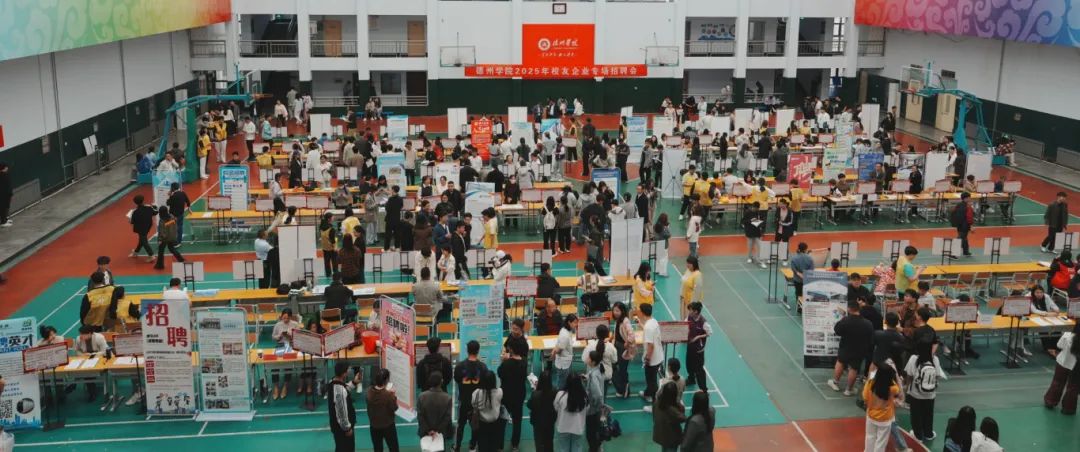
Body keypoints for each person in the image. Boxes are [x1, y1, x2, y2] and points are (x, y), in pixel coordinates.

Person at [827, 301, 874, 396]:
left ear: (849, 309)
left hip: (845, 347)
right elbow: (870, 337)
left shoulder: (845, 320)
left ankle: (835, 383)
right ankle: (849, 390)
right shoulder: (868, 323)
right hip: (859, 349)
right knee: (854, 368)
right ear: (859, 309)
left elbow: (837, 331)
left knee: (840, 362)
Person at [905, 340, 945, 442]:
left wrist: (907, 389)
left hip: (915, 394)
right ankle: (928, 434)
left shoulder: (914, 358)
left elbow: (909, 376)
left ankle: (918, 436)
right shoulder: (935, 359)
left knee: (916, 415)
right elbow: (937, 375)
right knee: (928, 414)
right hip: (930, 394)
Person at [454, 340, 489, 452]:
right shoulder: (483, 367)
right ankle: (473, 446)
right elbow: (485, 383)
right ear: (478, 351)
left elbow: (457, 379)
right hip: (477, 402)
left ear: (467, 350)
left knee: (461, 425)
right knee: (476, 425)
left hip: (464, 401)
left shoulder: (460, 366)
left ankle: (457, 447)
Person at [862, 365, 901, 452]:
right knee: (881, 442)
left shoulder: (870, 383)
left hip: (871, 415)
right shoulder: (893, 388)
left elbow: (865, 397)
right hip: (885, 419)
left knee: (870, 437)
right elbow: (899, 393)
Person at [1043, 321, 1079, 414]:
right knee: (1073, 387)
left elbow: (1059, 345)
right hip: (1076, 366)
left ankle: (1050, 401)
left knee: (1057, 382)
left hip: (1062, 362)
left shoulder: (1067, 335)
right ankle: (1069, 408)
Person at [498, 339, 528, 451]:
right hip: (519, 395)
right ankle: (515, 445)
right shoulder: (524, 362)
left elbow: (500, 373)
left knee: (502, 422)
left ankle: (500, 446)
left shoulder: (507, 364)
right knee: (517, 421)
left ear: (512, 349)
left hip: (506, 396)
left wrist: (503, 361)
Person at [417, 371, 453, 451]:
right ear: (441, 381)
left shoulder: (421, 396)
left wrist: (428, 430)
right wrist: (437, 430)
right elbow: (447, 418)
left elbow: (420, 416)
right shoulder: (447, 398)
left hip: (425, 432)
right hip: (440, 433)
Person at [328, 363, 361, 451]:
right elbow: (341, 411)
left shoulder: (332, 382)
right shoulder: (340, 390)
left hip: (337, 427)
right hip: (342, 429)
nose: (348, 372)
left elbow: (345, 390)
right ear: (344, 374)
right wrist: (347, 428)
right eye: (347, 371)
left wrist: (354, 382)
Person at [470, 370, 504, 452]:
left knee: (482, 447)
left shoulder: (476, 393)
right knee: (493, 447)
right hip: (495, 425)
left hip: (482, 425)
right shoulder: (499, 392)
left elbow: (473, 405)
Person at [554, 372, 588, 452]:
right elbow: (587, 410)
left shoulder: (560, 395)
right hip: (578, 428)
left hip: (563, 427)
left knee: (563, 449)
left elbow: (556, 408)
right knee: (577, 449)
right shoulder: (584, 396)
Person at [74, 325, 108, 400]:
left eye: (83, 334)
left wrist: (93, 355)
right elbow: (77, 350)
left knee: (87, 371)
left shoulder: (99, 337)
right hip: (85, 358)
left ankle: (91, 392)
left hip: (99, 358)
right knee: (84, 369)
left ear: (90, 333)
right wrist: (82, 355)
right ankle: (77, 383)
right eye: (80, 334)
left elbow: (105, 351)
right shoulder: (78, 339)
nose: (80, 336)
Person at [640, 303, 664, 408]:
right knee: (651, 380)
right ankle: (647, 393)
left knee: (652, 381)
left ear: (642, 313)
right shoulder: (653, 321)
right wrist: (641, 325)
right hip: (658, 356)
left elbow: (651, 345)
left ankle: (654, 406)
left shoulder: (648, 327)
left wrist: (647, 359)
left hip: (652, 360)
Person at [652, 380, 686, 452]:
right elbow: (683, 418)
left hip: (660, 434)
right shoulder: (672, 410)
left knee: (664, 449)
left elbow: (654, 416)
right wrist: (679, 404)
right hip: (671, 438)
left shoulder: (657, 403)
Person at [685, 302, 712, 390]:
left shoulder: (703, 322)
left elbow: (709, 333)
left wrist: (698, 337)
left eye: (690, 310)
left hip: (698, 349)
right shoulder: (689, 317)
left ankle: (704, 389)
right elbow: (685, 325)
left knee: (699, 370)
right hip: (690, 346)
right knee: (689, 365)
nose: (689, 312)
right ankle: (691, 379)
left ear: (696, 311)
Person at [529, 371, 558, 452]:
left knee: (539, 443)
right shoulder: (554, 392)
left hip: (537, 422)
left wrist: (535, 390)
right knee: (549, 442)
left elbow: (529, 405)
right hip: (550, 421)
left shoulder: (535, 394)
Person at [584, 349, 606, 452]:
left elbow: (597, 395)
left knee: (591, 434)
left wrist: (594, 407)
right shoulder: (598, 370)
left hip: (593, 410)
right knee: (596, 431)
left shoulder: (593, 376)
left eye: (589, 357)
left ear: (593, 362)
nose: (587, 358)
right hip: (597, 410)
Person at [552, 314, 578, 389]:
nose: (576, 324)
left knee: (565, 380)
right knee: (562, 383)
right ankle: (560, 394)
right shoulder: (565, 335)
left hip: (566, 360)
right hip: (564, 363)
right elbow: (559, 350)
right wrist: (554, 353)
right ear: (569, 322)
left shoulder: (565, 329)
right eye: (575, 322)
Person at [129, 195, 157, 262]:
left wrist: (130, 220)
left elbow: (132, 222)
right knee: (142, 239)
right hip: (148, 226)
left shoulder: (135, 212)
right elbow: (155, 213)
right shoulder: (149, 207)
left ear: (135, 202)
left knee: (144, 241)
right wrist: (154, 207)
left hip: (140, 228)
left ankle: (151, 255)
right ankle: (135, 253)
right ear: (143, 200)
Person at [789, 242, 814, 309]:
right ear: (806, 249)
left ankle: (799, 308)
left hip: (797, 280)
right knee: (806, 293)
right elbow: (811, 270)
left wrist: (799, 274)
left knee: (798, 293)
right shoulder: (810, 258)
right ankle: (806, 307)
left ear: (798, 248)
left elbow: (793, 269)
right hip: (807, 280)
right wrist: (805, 275)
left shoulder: (794, 258)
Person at [950, 192, 975, 257]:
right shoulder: (968, 206)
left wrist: (955, 223)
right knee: (961, 238)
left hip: (959, 225)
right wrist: (971, 226)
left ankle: (966, 252)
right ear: (966, 198)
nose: (970, 199)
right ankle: (954, 254)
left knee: (964, 238)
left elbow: (953, 213)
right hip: (965, 225)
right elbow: (969, 217)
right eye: (969, 197)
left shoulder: (958, 205)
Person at [743, 202, 766, 269]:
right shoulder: (747, 212)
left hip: (757, 232)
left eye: (757, 208)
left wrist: (759, 224)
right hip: (749, 231)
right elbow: (743, 221)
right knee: (750, 246)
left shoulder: (759, 213)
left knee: (759, 246)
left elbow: (762, 221)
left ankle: (759, 260)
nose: (755, 209)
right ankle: (750, 257)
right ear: (753, 207)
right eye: (754, 208)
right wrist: (750, 221)